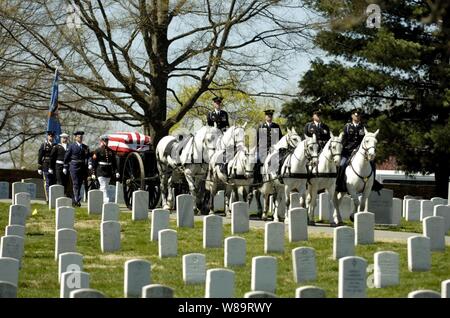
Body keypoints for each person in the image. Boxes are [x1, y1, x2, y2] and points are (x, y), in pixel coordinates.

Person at [336, 109, 382, 192]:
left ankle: (373, 183)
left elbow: (366, 141)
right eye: (355, 115)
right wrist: (344, 149)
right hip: (348, 152)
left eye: (358, 115)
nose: (357, 117)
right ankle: (339, 183)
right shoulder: (347, 126)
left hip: (360, 152)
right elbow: (344, 140)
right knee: (342, 164)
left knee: (372, 163)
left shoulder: (363, 127)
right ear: (352, 116)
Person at [89, 135, 119, 203]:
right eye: (104, 140)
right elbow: (94, 163)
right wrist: (93, 173)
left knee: (105, 186)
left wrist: (116, 171)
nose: (106, 142)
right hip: (100, 171)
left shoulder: (111, 151)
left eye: (107, 141)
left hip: (108, 171)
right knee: (103, 186)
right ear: (101, 141)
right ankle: (106, 199)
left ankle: (100, 199)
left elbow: (114, 163)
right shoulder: (97, 151)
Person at [64, 131, 90, 207]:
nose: (80, 138)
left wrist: (90, 164)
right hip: (74, 166)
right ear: (75, 138)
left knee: (79, 184)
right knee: (75, 183)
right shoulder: (72, 146)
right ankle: (77, 200)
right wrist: (65, 166)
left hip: (82, 167)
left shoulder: (85, 147)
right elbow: (66, 156)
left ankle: (75, 200)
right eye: (79, 137)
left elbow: (88, 156)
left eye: (81, 137)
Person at [38, 131, 56, 201]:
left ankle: (52, 198)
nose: (51, 137)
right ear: (48, 136)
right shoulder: (44, 145)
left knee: (52, 182)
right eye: (50, 136)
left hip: (53, 166)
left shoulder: (55, 145)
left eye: (52, 136)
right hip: (45, 164)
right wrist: (39, 167)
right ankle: (48, 198)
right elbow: (40, 156)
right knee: (47, 182)